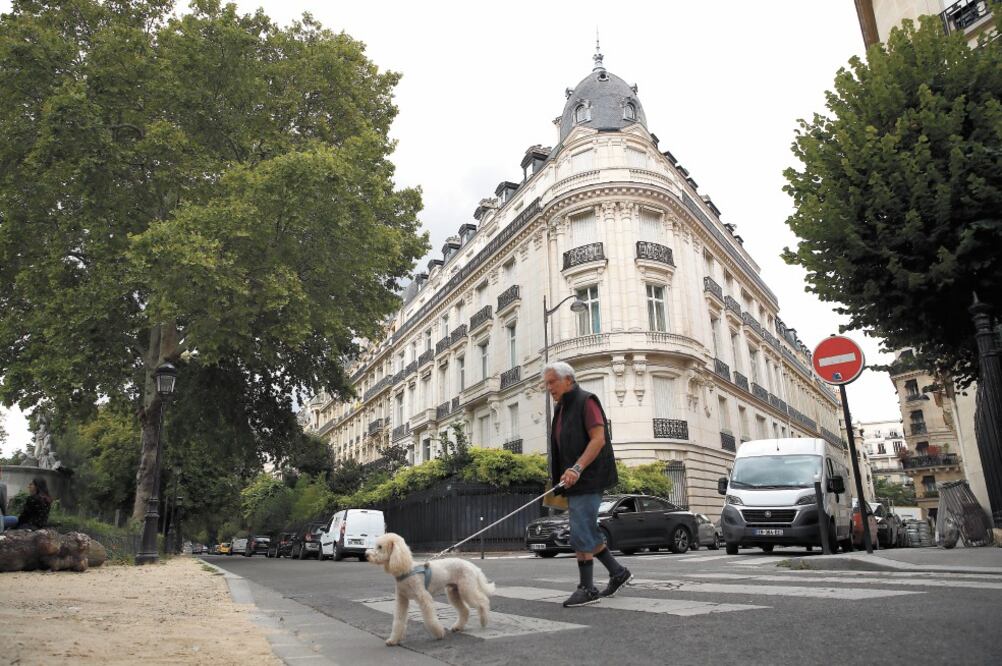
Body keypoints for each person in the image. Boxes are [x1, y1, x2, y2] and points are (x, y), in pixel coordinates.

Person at [544, 361, 631, 608]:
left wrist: (577, 468)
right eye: (546, 383)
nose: (548, 387)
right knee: (584, 529)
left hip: (589, 477)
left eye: (552, 382)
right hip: (572, 481)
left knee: (581, 530)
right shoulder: (561, 408)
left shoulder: (587, 401)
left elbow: (598, 439)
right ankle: (617, 572)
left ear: (568, 380)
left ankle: (588, 588)